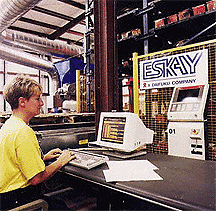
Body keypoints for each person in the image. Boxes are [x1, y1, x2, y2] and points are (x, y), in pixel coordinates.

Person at [0, 75, 75, 210]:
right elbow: (37, 178)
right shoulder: (23, 131)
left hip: (5, 199)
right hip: (19, 199)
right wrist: (61, 161)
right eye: (37, 98)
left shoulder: (9, 125)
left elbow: (13, 161)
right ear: (22, 102)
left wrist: (43, 158)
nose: (41, 103)